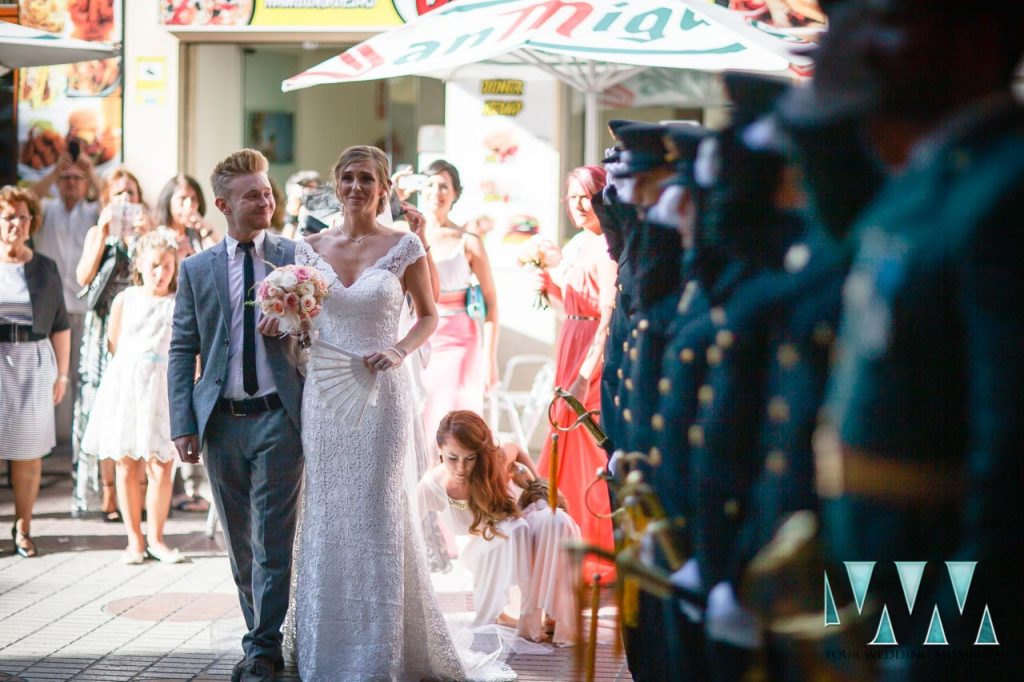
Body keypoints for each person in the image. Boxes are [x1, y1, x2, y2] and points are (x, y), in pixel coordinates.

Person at [800, 2, 1024, 676]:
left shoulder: (1005, 186)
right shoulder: (929, 178)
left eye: (894, 21)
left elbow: (1009, 455)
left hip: (947, 571)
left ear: (979, 36)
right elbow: (838, 225)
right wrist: (829, 98)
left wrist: (947, 653)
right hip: (883, 554)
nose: (869, 47)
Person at [290, 145, 465, 681]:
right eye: (347, 177)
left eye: (367, 179)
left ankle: (377, 655)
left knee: (376, 512)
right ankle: (324, 650)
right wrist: (286, 322)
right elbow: (302, 322)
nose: (356, 187)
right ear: (335, 184)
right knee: (324, 513)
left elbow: (430, 316)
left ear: (384, 187)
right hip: (323, 396)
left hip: (381, 389)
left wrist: (399, 349)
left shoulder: (405, 245)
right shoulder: (309, 246)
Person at [168, 149, 304, 682]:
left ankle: (262, 649)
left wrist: (295, 325)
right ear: (223, 204)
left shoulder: (296, 256)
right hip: (221, 421)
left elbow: (323, 334)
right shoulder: (197, 269)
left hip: (279, 417)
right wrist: (183, 421)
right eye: (252, 195)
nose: (265, 200)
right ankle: (260, 636)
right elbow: (183, 348)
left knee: (272, 539)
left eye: (268, 191)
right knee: (240, 538)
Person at [534, 165, 618, 585]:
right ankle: (564, 545)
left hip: (590, 352)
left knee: (587, 448)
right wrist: (548, 286)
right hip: (570, 339)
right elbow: (570, 308)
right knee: (563, 441)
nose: (579, 205)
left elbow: (607, 315)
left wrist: (587, 372)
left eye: (587, 196)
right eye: (573, 197)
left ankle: (595, 547)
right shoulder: (579, 243)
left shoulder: (607, 247)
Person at [81, 229, 182, 565]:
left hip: (162, 388)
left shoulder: (178, 304)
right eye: (154, 265)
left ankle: (157, 537)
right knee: (126, 463)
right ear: (140, 265)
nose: (160, 273)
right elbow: (113, 343)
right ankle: (134, 539)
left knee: (161, 464)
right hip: (128, 387)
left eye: (167, 266)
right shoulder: (127, 299)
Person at [72, 167, 152, 521]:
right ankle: (108, 494)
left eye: (130, 193)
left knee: (139, 406)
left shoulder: (145, 234)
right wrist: (104, 234)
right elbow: (82, 277)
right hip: (104, 325)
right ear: (107, 199)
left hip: (139, 326)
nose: (125, 200)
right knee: (104, 409)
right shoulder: (97, 233)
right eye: (118, 194)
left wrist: (145, 236)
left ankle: (140, 494)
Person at [0, 186, 71, 558]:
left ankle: (24, 527)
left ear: (32, 221)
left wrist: (61, 375)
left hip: (33, 362)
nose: (16, 223)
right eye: (9, 216)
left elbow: (61, 324)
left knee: (28, 454)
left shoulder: (45, 267)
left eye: (23, 216)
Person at [418, 410, 532, 629]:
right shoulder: (432, 487)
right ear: (440, 451)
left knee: (517, 527)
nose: (461, 468)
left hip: (512, 542)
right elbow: (405, 525)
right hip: (473, 553)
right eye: (453, 458)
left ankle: (521, 613)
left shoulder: (494, 462)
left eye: (470, 458)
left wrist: (539, 485)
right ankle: (492, 616)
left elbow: (515, 449)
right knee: (505, 534)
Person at [414, 160, 500, 445]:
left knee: (453, 415)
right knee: (420, 412)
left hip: (460, 340)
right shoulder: (408, 237)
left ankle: (457, 483)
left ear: (454, 193)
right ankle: (425, 484)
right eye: (429, 184)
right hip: (420, 336)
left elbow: (491, 303)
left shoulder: (469, 241)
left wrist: (490, 358)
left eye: (443, 186)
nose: (436, 192)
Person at [28, 154, 100, 448]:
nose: (71, 183)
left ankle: (77, 441)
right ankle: (46, 440)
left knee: (82, 374)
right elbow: (28, 198)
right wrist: (53, 169)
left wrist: (91, 172)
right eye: (65, 178)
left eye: (76, 178)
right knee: (47, 374)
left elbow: (113, 207)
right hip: (47, 309)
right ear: (57, 183)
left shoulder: (93, 211)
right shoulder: (45, 210)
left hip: (84, 306)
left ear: (85, 185)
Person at [155, 173, 218, 258]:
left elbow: (219, 258)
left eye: (193, 199)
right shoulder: (158, 236)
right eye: (182, 198)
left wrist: (205, 229)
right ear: (168, 202)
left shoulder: (199, 232)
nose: (189, 205)